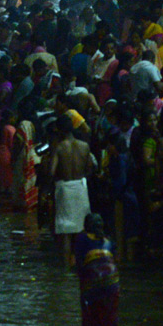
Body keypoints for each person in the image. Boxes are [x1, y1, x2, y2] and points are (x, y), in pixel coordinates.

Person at [48, 114, 94, 267]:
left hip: (65, 188)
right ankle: (80, 264)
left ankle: (66, 268)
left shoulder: (60, 147)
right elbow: (90, 168)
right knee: (81, 228)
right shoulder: (84, 146)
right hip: (81, 187)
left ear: (60, 130)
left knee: (66, 230)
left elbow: (51, 172)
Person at [73, 213, 119, 326]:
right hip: (112, 283)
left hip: (93, 281)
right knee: (108, 315)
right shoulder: (109, 240)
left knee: (90, 318)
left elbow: (79, 263)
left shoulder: (81, 238)